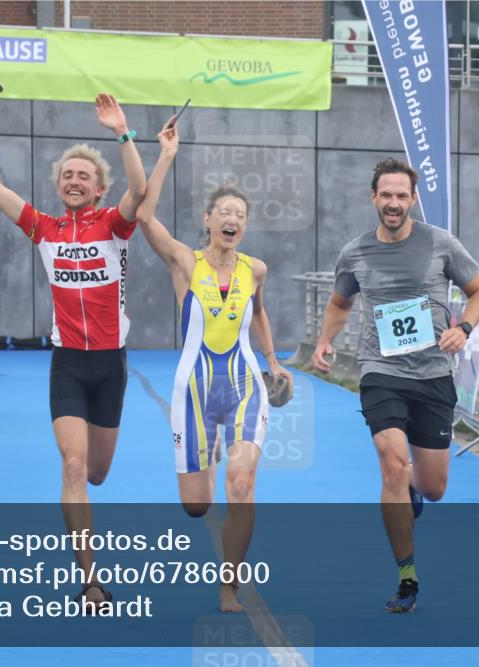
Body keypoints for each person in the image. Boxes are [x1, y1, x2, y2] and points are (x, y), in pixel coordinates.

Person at [0, 89, 147, 606]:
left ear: (97, 188)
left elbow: (140, 186)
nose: (74, 181)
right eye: (67, 175)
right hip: (67, 363)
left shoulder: (114, 224)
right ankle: (90, 580)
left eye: (83, 176)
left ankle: (88, 534)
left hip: (111, 365)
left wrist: (122, 131)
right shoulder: (43, 228)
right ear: (58, 185)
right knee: (73, 467)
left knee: (97, 471)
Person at [311, 159, 479, 613]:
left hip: (432, 374)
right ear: (374, 197)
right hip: (381, 371)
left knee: (433, 488)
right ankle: (407, 577)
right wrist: (323, 341)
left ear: (412, 200)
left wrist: (464, 329)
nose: (393, 203)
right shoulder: (355, 252)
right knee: (392, 463)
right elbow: (339, 303)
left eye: (401, 196)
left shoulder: (441, 244)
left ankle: (413, 487)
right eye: (385, 195)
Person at [135, 118, 291, 612]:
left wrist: (272, 360)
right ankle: (207, 453)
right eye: (224, 212)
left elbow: (259, 313)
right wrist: (165, 155)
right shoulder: (185, 262)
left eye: (240, 214)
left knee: (241, 485)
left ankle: (229, 586)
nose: (233, 219)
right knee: (196, 504)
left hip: (245, 384)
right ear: (207, 220)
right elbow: (143, 217)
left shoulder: (255, 269)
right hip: (194, 391)